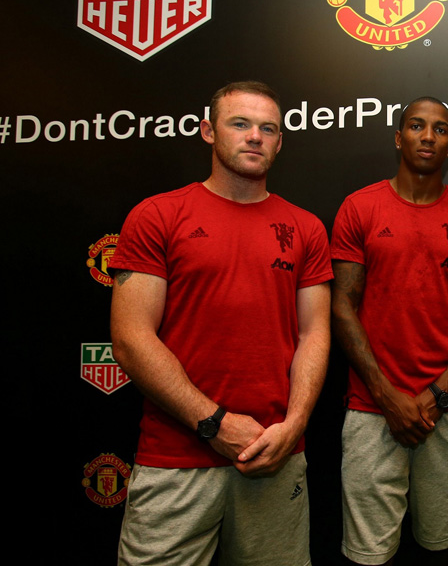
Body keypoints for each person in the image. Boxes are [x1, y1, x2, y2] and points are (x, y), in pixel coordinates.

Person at [110, 81, 332, 566]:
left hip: (275, 457)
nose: (255, 136)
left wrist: (292, 427)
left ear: (280, 141)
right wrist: (213, 423)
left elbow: (313, 333)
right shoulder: (157, 216)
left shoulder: (306, 227)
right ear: (209, 131)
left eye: (267, 128)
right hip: (176, 459)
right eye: (240, 124)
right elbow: (130, 339)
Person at [330, 96, 448, 565]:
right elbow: (342, 303)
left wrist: (441, 391)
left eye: (440, 129)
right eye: (417, 126)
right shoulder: (359, 208)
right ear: (398, 137)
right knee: (369, 554)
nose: (428, 136)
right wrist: (385, 395)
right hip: (371, 408)